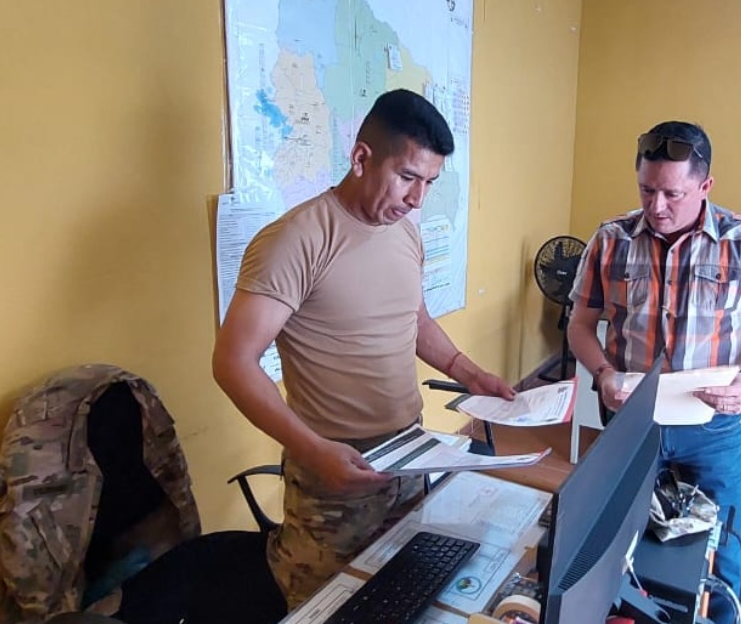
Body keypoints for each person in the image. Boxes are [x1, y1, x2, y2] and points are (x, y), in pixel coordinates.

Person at [212, 88, 514, 609]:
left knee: (405, 593)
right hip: (334, 474)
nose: (417, 199)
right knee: (327, 607)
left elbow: (412, 319)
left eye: (430, 183)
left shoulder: (405, 233)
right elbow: (233, 363)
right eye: (408, 177)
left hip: (408, 458)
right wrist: (312, 451)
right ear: (360, 158)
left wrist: (468, 372)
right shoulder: (297, 239)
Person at [566, 120, 741, 624]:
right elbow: (581, 325)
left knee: (721, 547)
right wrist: (603, 372)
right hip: (632, 421)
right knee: (615, 541)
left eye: (672, 193)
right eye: (647, 190)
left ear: (705, 186)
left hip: (711, 427)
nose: (657, 207)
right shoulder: (611, 240)